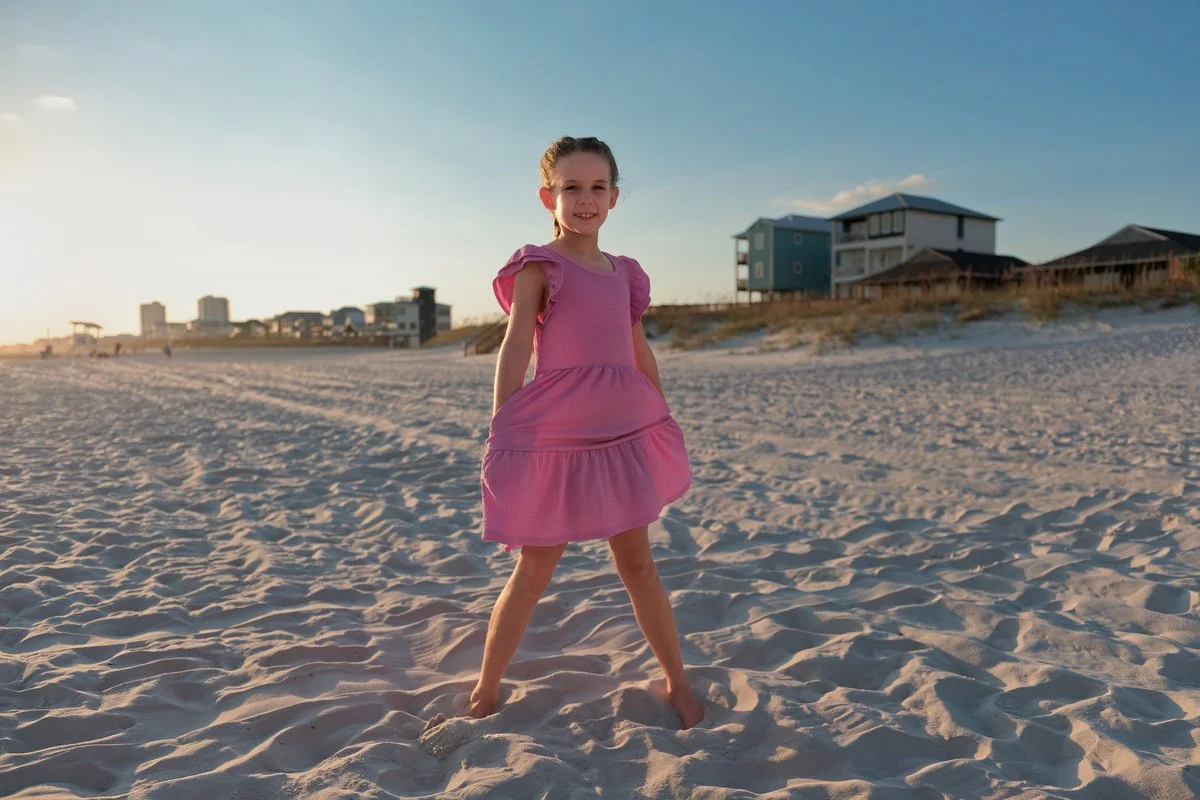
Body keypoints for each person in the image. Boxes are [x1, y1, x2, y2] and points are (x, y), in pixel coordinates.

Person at [469, 136, 704, 729]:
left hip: (622, 429)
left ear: (615, 197)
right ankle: (486, 688)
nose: (585, 199)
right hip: (556, 431)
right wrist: (505, 424)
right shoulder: (538, 265)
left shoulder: (626, 274)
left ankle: (677, 679)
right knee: (535, 567)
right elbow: (517, 341)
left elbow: (638, 348)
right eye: (571, 187)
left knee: (638, 564)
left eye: (598, 187)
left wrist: (661, 414)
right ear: (548, 196)